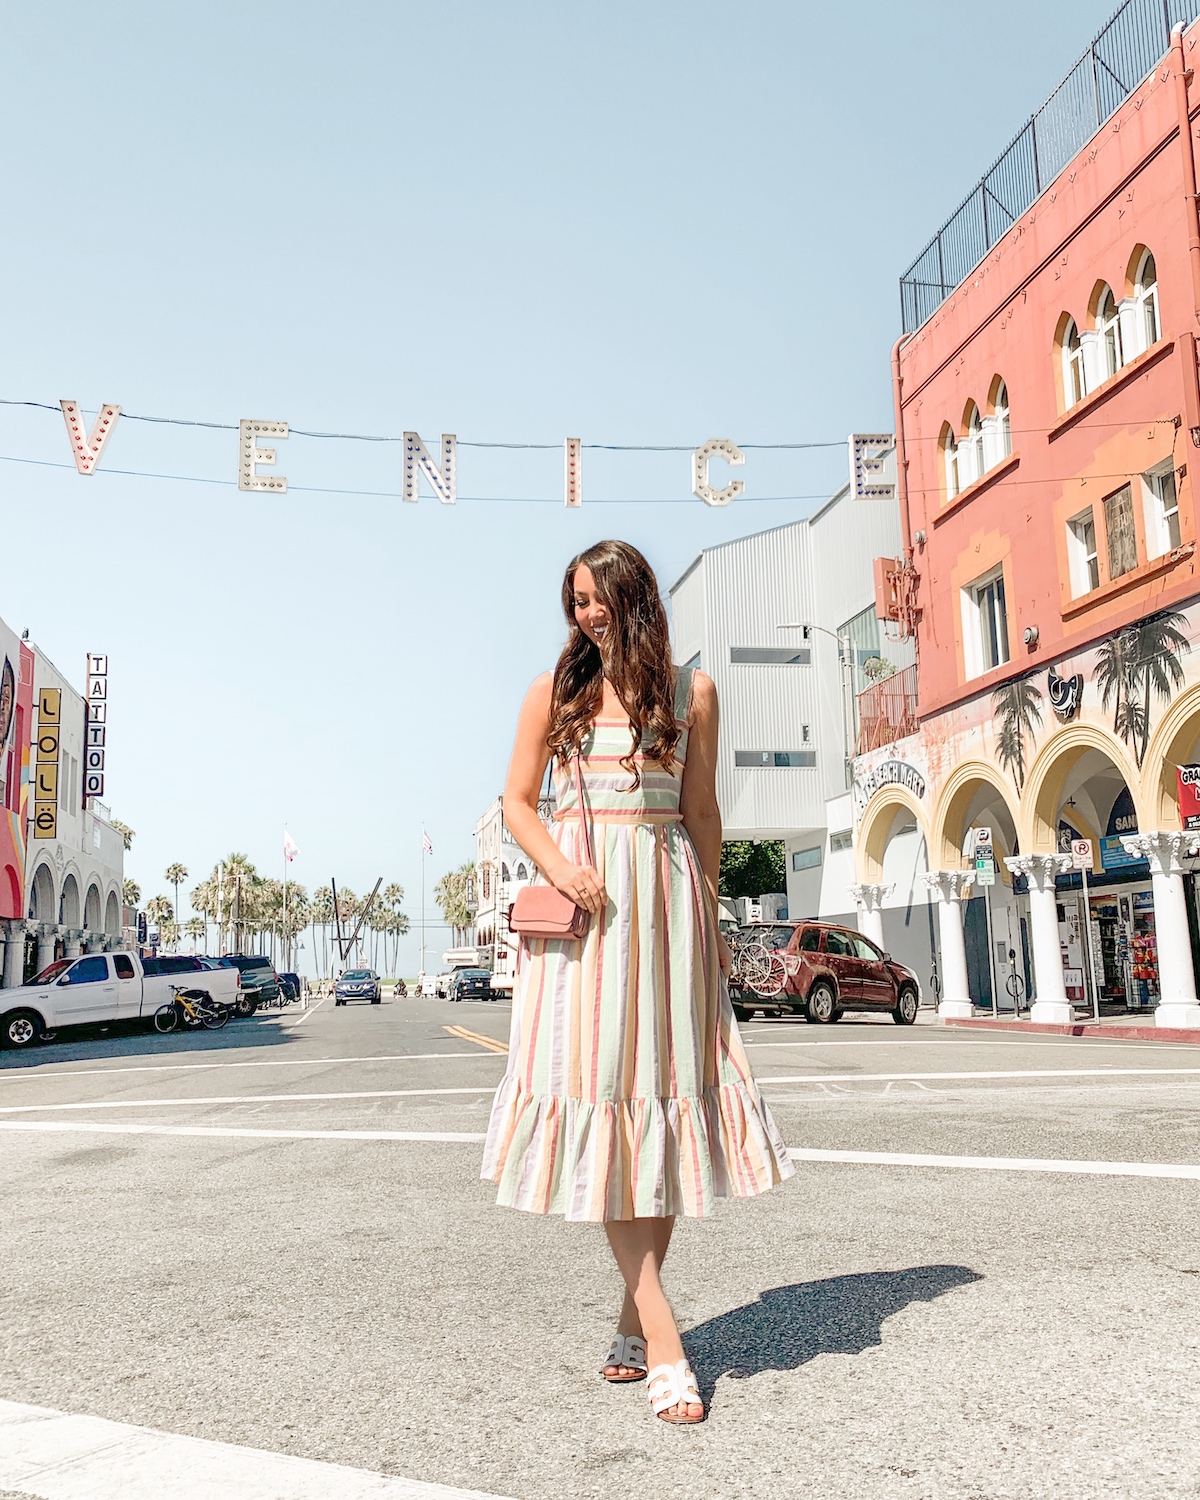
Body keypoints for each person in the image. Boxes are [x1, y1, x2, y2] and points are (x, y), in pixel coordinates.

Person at [481, 539, 794, 1426]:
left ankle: (628, 1317)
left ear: (636, 597)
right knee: (601, 1099)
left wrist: (717, 922)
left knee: (658, 1109)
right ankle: (664, 1337)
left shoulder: (693, 695)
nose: (587, 613)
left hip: (671, 911)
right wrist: (562, 867)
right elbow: (514, 801)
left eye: (600, 597)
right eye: (575, 599)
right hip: (589, 919)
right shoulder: (556, 693)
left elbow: (702, 812)